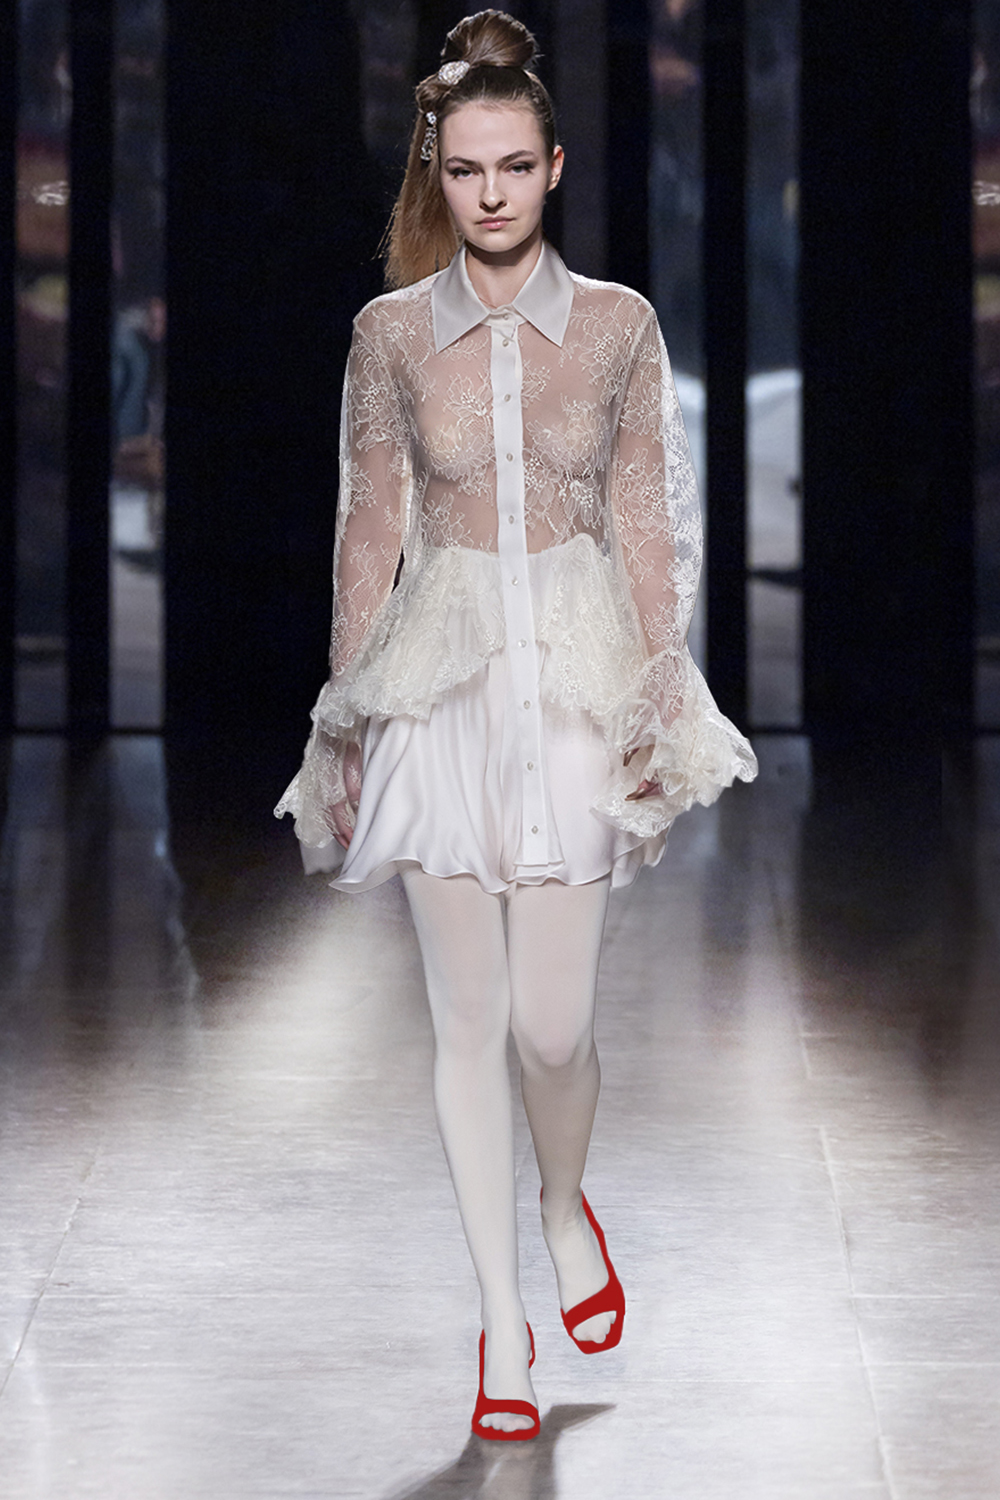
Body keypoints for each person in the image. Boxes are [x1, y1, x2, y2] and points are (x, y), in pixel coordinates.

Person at [276, 9, 757, 1442]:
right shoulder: (386, 337)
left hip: (577, 681)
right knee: (466, 1025)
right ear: (441, 173)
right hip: (434, 685)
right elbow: (368, 534)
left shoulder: (618, 327)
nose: (489, 192)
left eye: (513, 165)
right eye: (465, 168)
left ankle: (561, 1206)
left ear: (553, 167)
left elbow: (647, 526)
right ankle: (500, 1323)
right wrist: (342, 722)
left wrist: (662, 692)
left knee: (554, 1031)